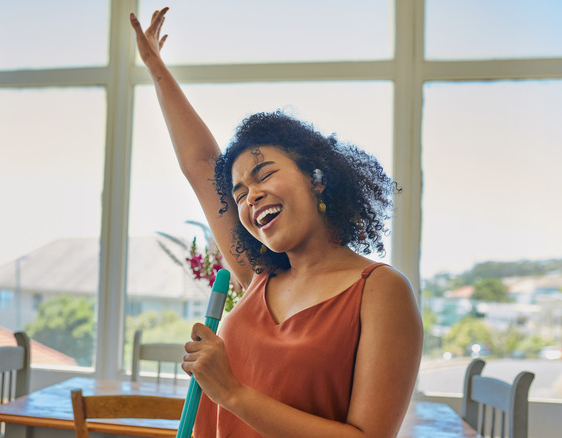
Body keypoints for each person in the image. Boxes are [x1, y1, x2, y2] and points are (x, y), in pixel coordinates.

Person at [130, 8, 423, 438]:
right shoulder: (259, 276)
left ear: (316, 177)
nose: (251, 196)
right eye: (240, 193)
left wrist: (231, 393)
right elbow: (200, 165)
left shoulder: (380, 291)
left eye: (264, 174)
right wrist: (156, 69)